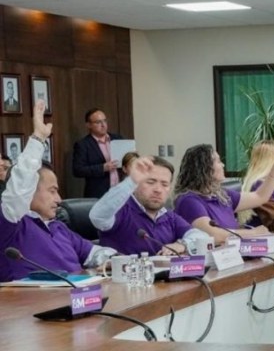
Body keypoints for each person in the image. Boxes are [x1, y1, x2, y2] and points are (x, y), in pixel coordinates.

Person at [0, 101, 116, 281]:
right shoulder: (12, 224)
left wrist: (113, 260)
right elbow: (19, 187)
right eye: (52, 191)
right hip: (34, 305)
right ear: (30, 191)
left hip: (79, 298)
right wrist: (38, 139)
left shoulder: (58, 227)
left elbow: (94, 252)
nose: (59, 199)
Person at [173, 135, 274, 244]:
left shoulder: (222, 195)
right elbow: (212, 235)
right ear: (204, 168)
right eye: (218, 161)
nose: (223, 165)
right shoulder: (189, 201)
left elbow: (260, 197)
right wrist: (253, 233)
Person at [90, 155, 203, 256]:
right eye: (150, 182)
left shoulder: (168, 216)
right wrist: (131, 181)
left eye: (164, 184)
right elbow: (97, 216)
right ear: (136, 183)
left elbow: (201, 237)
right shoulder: (121, 209)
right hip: (126, 278)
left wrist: (182, 245)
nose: (158, 190)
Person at [72, 108, 125, 198]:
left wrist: (131, 157)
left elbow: (126, 161)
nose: (103, 125)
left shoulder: (117, 139)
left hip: (121, 192)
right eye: (98, 122)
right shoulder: (83, 144)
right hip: (99, 194)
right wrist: (102, 168)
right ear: (88, 125)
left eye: (104, 121)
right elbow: (78, 170)